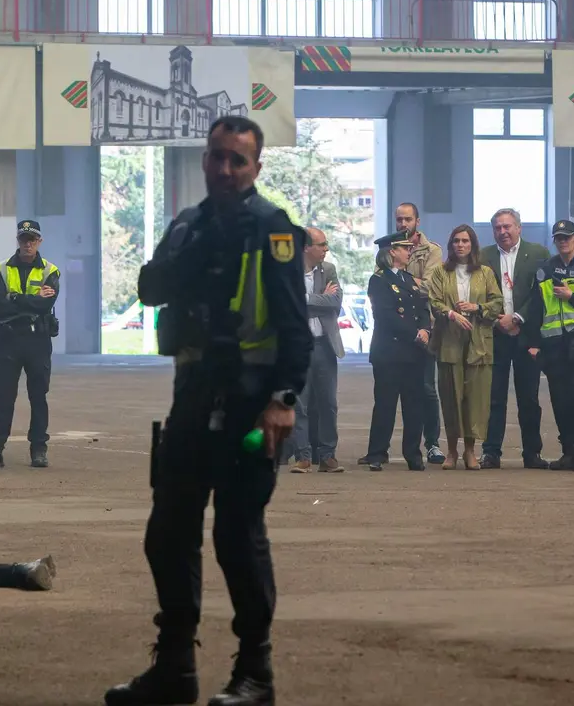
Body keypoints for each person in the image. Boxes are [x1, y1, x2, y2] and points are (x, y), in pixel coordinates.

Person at [104, 116, 312, 706]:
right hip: (193, 398)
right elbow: (149, 289)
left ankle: (255, 676)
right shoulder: (188, 225)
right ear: (204, 159)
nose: (225, 169)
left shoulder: (273, 230)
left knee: (237, 537)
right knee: (167, 532)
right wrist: (186, 255)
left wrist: (283, 401)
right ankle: (175, 669)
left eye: (237, 161)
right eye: (217, 157)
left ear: (256, 168)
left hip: (252, 407)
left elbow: (297, 331)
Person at [0, 219, 60, 470]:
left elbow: (46, 305)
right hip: (9, 339)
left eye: (32, 239)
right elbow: (0, 305)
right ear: (18, 241)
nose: (28, 243)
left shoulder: (50, 271)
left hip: (38, 340)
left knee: (38, 397)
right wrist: (31, 298)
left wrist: (16, 298)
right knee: (3, 397)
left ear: (39, 241)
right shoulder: (0, 269)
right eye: (23, 239)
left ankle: (39, 449)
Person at [522, 220, 574, 473]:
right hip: (553, 346)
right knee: (559, 400)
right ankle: (567, 452)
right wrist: (533, 344)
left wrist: (572, 298)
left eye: (567, 237)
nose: (563, 241)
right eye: (558, 238)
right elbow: (536, 309)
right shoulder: (546, 270)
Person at [478, 208, 551, 470]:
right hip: (494, 335)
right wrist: (498, 319)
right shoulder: (483, 256)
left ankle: (532, 453)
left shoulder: (539, 255)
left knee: (528, 399)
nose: (503, 231)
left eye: (507, 226)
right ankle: (490, 452)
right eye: (497, 227)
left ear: (519, 228)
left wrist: (518, 317)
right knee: (493, 397)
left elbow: (542, 294)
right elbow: (478, 293)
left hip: (526, 337)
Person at [427, 224, 503, 470]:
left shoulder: (485, 273)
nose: (460, 245)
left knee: (475, 398)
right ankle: (451, 450)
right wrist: (450, 313)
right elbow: (433, 300)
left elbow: (497, 302)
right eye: (456, 241)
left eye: (465, 241)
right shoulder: (440, 272)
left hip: (478, 342)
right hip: (449, 342)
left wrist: (477, 308)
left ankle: (470, 450)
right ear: (450, 245)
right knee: (451, 397)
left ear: (473, 245)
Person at [362, 231, 430, 472]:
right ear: (392, 252)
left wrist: (425, 328)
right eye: (404, 248)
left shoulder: (410, 280)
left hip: (414, 353)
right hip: (389, 352)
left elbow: (423, 307)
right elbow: (385, 315)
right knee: (385, 404)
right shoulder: (378, 280)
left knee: (414, 405)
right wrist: (414, 332)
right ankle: (377, 453)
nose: (409, 251)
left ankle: (413, 453)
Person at [391, 202, 446, 466]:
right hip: (397, 332)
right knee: (398, 391)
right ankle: (400, 448)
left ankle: (433, 443)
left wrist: (398, 283)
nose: (403, 224)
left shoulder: (432, 250)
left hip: (426, 328)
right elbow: (381, 287)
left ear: (417, 221)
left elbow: (431, 288)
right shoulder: (387, 248)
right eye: (399, 219)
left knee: (426, 388)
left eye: (408, 219)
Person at [289, 226, 344, 474]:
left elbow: (335, 302)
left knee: (328, 403)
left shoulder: (328, 270)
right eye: (321, 245)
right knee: (299, 404)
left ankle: (328, 456)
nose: (326, 249)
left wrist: (305, 300)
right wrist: (316, 300)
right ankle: (303, 456)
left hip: (324, 345)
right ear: (305, 247)